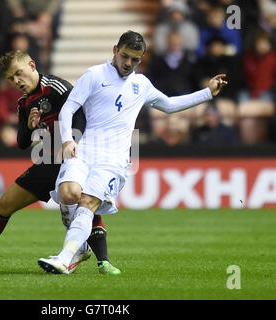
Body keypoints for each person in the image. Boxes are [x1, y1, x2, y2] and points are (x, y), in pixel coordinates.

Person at [38, 31, 227, 274]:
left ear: (142, 59)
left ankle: (65, 257)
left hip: (113, 159)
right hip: (84, 149)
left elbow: (169, 105)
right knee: (68, 193)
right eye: (125, 56)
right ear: (115, 49)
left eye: (135, 60)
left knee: (87, 203)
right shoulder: (94, 75)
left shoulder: (142, 85)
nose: (128, 64)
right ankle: (80, 247)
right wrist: (67, 140)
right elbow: (68, 109)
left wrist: (207, 93)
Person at [0, 50, 120, 275]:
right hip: (47, 161)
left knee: (84, 202)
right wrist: (30, 126)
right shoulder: (24, 103)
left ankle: (103, 261)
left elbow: (81, 115)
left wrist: (72, 142)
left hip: (74, 157)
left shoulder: (57, 87)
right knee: (3, 206)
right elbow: (22, 142)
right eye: (11, 78)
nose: (17, 81)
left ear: (32, 65)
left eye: (19, 73)